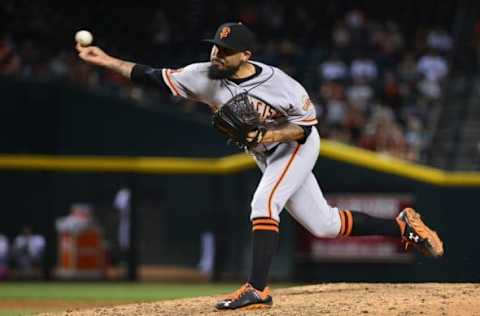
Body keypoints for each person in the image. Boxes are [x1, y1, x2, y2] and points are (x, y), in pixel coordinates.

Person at [76, 22, 444, 310]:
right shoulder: (202, 75)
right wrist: (105, 60)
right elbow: (151, 76)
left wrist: (266, 137)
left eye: (227, 50)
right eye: (216, 47)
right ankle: (402, 226)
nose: (218, 54)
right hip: (264, 151)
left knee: (264, 203)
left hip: (294, 145)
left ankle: (257, 288)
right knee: (325, 225)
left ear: (246, 55)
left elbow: (303, 129)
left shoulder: (280, 85)